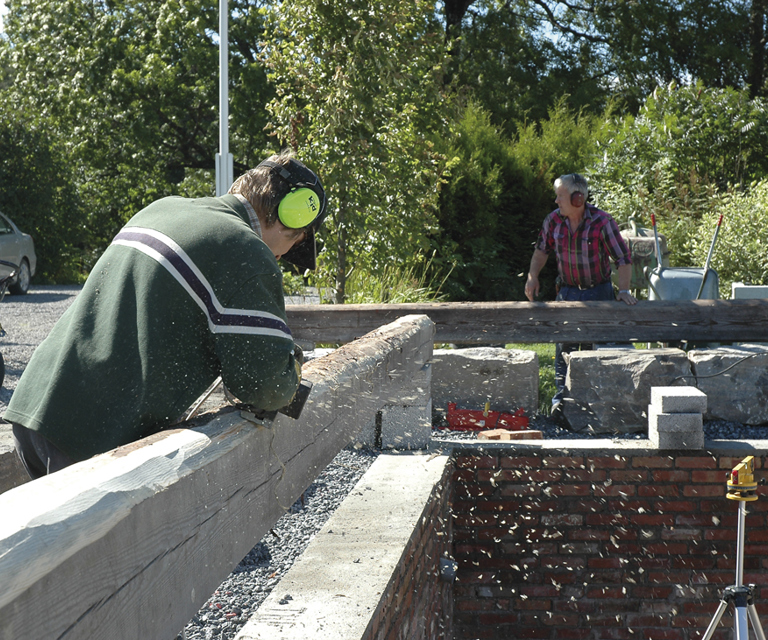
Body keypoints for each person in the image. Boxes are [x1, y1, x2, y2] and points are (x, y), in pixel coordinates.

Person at [4, 151, 327, 479]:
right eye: (292, 244)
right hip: (87, 436)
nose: (281, 255)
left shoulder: (166, 207)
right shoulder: (244, 249)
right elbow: (266, 386)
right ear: (295, 218)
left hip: (36, 406)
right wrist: (291, 369)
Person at [524, 173, 636, 422]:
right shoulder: (553, 221)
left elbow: (623, 259)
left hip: (600, 292)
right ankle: (561, 405)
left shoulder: (602, 222)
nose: (556, 201)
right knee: (565, 348)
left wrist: (624, 291)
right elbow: (541, 251)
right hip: (568, 292)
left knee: (600, 350)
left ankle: (601, 407)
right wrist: (533, 275)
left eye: (560, 196)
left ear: (578, 198)